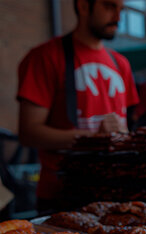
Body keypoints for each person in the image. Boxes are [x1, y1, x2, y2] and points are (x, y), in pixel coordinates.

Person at [17, 0, 139, 211]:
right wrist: (93, 139)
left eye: (121, 9)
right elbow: (29, 132)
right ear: (83, 6)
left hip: (115, 194)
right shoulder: (45, 57)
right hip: (61, 197)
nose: (118, 17)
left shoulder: (121, 64)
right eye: (110, 6)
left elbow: (125, 129)